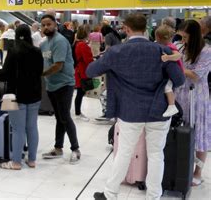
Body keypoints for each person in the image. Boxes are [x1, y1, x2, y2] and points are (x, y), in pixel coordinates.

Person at [87, 13, 185, 200]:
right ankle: (153, 196)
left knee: (124, 152)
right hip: (159, 110)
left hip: (129, 111)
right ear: (146, 27)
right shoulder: (162, 51)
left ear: (126, 29)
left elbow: (91, 71)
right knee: (156, 155)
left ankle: (110, 193)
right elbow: (179, 80)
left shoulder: (116, 52)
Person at [0, 24, 43, 170]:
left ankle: (16, 162)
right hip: (34, 94)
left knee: (18, 129)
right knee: (32, 127)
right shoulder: (37, 51)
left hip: (17, 96)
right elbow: (40, 71)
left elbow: (5, 74)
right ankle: (32, 160)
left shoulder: (14, 51)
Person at [39, 14, 81, 164]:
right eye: (43, 25)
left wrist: (41, 74)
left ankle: (75, 149)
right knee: (59, 118)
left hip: (64, 84)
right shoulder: (43, 44)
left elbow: (58, 65)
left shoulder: (60, 41)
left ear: (55, 25)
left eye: (49, 24)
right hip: (51, 85)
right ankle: (58, 148)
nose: (46, 27)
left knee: (65, 117)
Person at [174, 20, 211, 187]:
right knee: (181, 132)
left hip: (197, 97)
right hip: (179, 95)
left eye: (185, 37)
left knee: (199, 135)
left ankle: (198, 172)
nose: (182, 40)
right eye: (181, 36)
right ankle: (181, 166)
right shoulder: (181, 48)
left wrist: (176, 66)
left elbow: (196, 75)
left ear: (194, 36)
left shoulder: (207, 51)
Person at [155, 25, 183, 117]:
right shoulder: (161, 45)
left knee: (167, 87)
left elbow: (178, 56)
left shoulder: (171, 46)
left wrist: (168, 57)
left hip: (174, 74)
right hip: (170, 73)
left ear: (157, 36)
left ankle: (172, 106)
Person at [73, 25, 93, 122]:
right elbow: (88, 60)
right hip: (82, 71)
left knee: (80, 93)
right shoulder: (83, 45)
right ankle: (77, 113)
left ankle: (78, 112)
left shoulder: (77, 43)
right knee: (80, 92)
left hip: (79, 70)